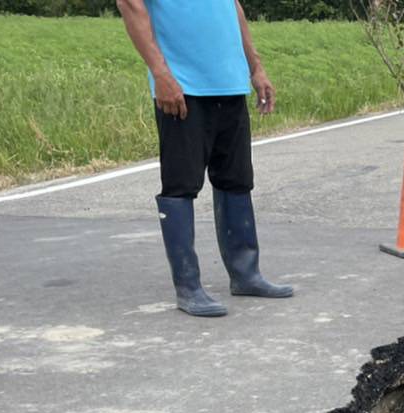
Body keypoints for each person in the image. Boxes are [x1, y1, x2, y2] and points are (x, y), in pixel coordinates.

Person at [118, 0, 294, 317]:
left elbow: (234, 9)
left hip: (229, 83)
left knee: (237, 180)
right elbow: (130, 5)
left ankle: (246, 274)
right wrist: (160, 74)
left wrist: (256, 67)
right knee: (181, 184)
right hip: (183, 88)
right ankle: (188, 287)